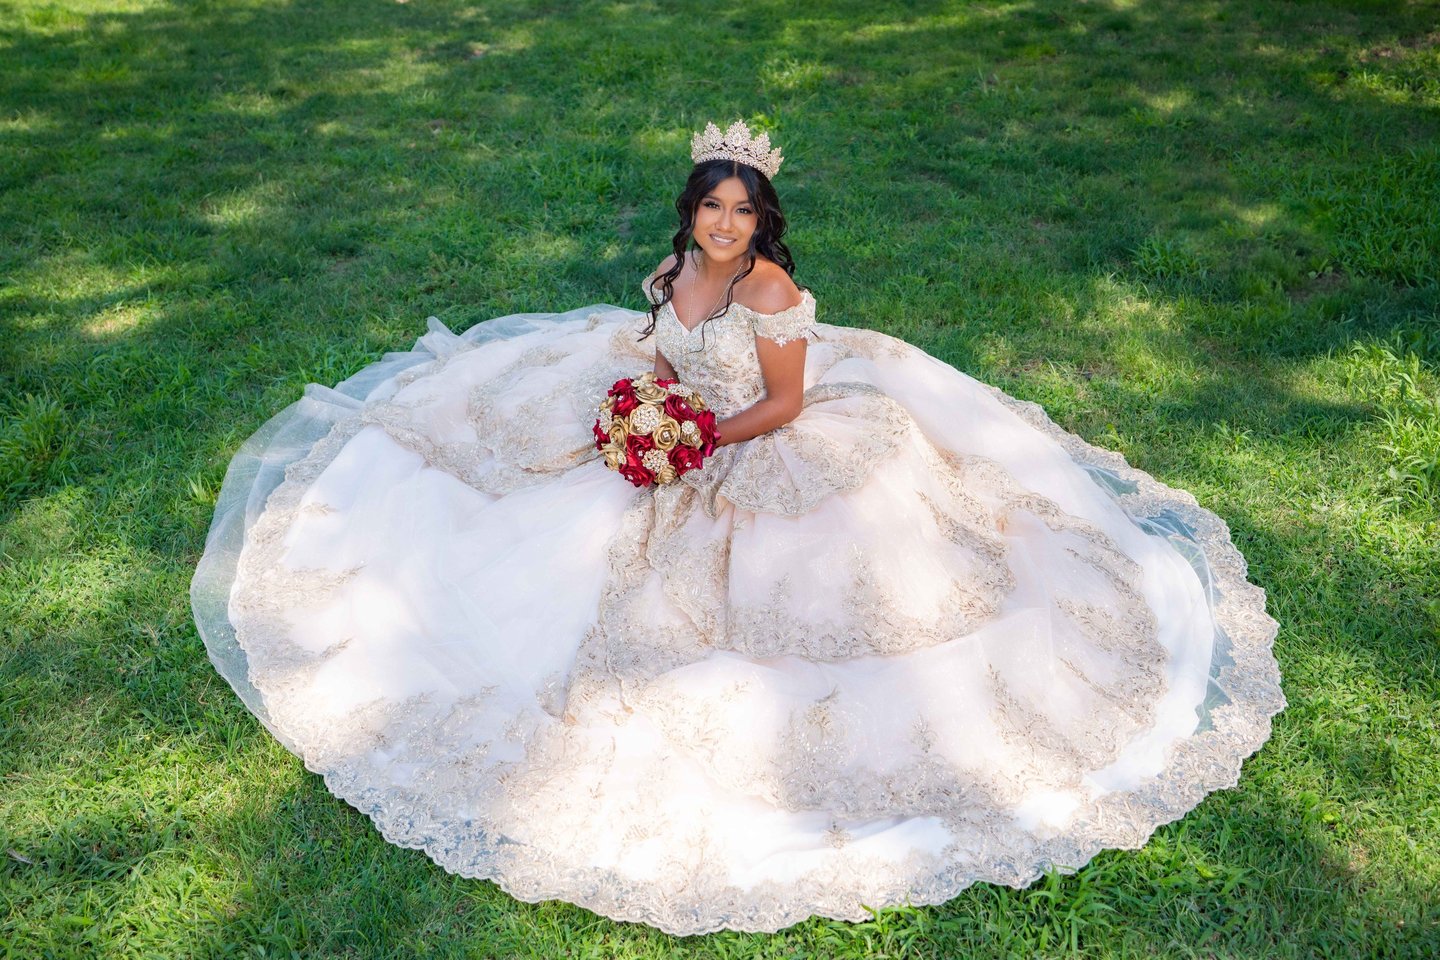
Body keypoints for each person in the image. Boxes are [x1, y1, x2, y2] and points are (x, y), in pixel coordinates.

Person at [191, 119, 1285, 936]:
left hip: (760, 432)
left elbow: (788, 404)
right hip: (684, 412)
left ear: (763, 224)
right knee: (508, 494)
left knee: (792, 595)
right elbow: (659, 341)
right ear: (691, 211)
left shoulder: (770, 298)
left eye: (743, 214)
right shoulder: (676, 272)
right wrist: (645, 410)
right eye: (712, 208)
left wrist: (695, 437)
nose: (725, 226)